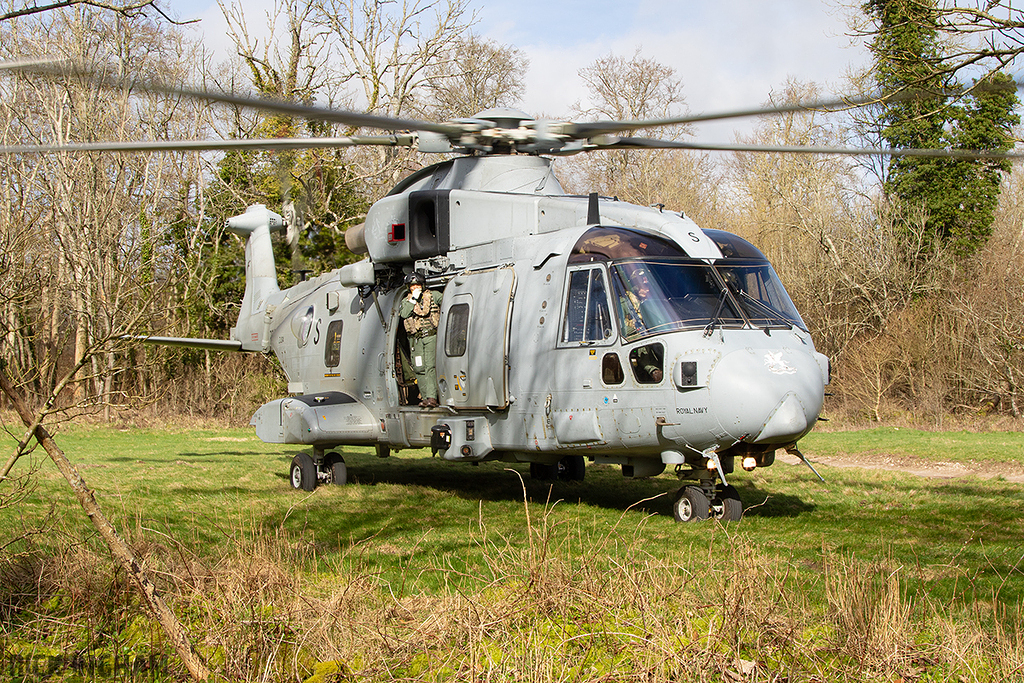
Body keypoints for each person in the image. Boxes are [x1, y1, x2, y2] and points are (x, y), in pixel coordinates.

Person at [399, 272, 442, 408]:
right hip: (416, 340)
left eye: (417, 284)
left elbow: (447, 300)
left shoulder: (433, 296)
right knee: (419, 368)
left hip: (430, 336)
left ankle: (432, 397)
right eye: (412, 286)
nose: (415, 287)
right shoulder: (407, 301)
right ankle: (424, 397)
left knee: (430, 366)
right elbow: (404, 313)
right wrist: (413, 300)